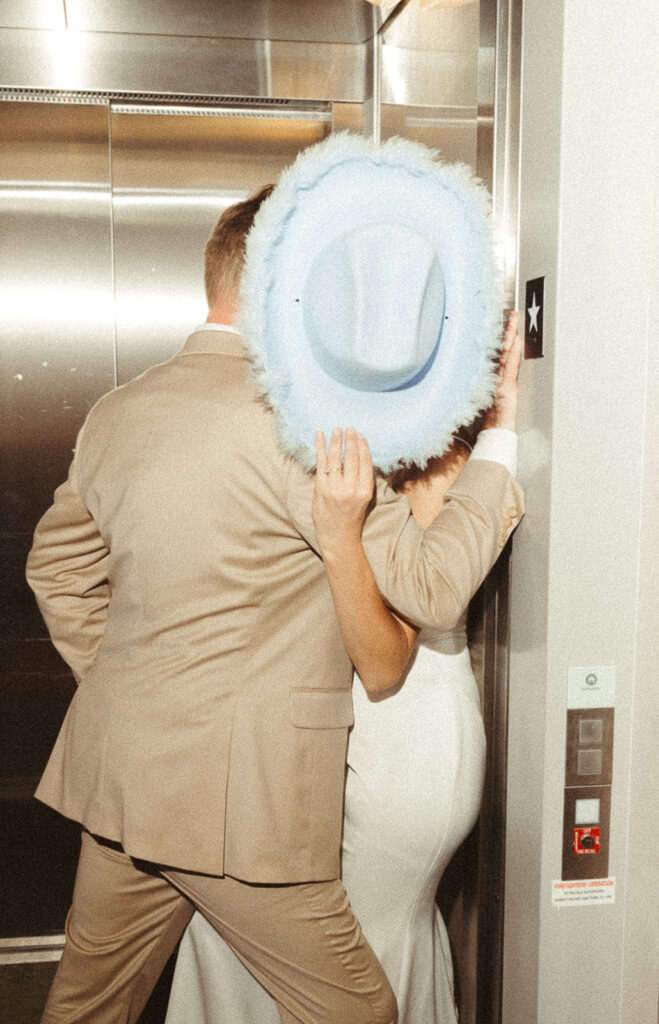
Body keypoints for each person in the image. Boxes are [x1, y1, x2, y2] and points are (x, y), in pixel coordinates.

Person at [26, 134, 523, 1024]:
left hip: (123, 776)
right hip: (238, 803)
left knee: (87, 1004)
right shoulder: (306, 427)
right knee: (360, 1011)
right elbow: (434, 590)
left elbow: (57, 566)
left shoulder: (119, 410)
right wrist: (500, 445)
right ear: (277, 283)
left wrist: (130, 682)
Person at [164, 316, 521, 1024]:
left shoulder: (429, 451)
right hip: (330, 718)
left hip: (398, 721)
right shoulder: (329, 429)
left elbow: (404, 623)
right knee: (272, 936)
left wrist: (501, 430)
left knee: (355, 934)